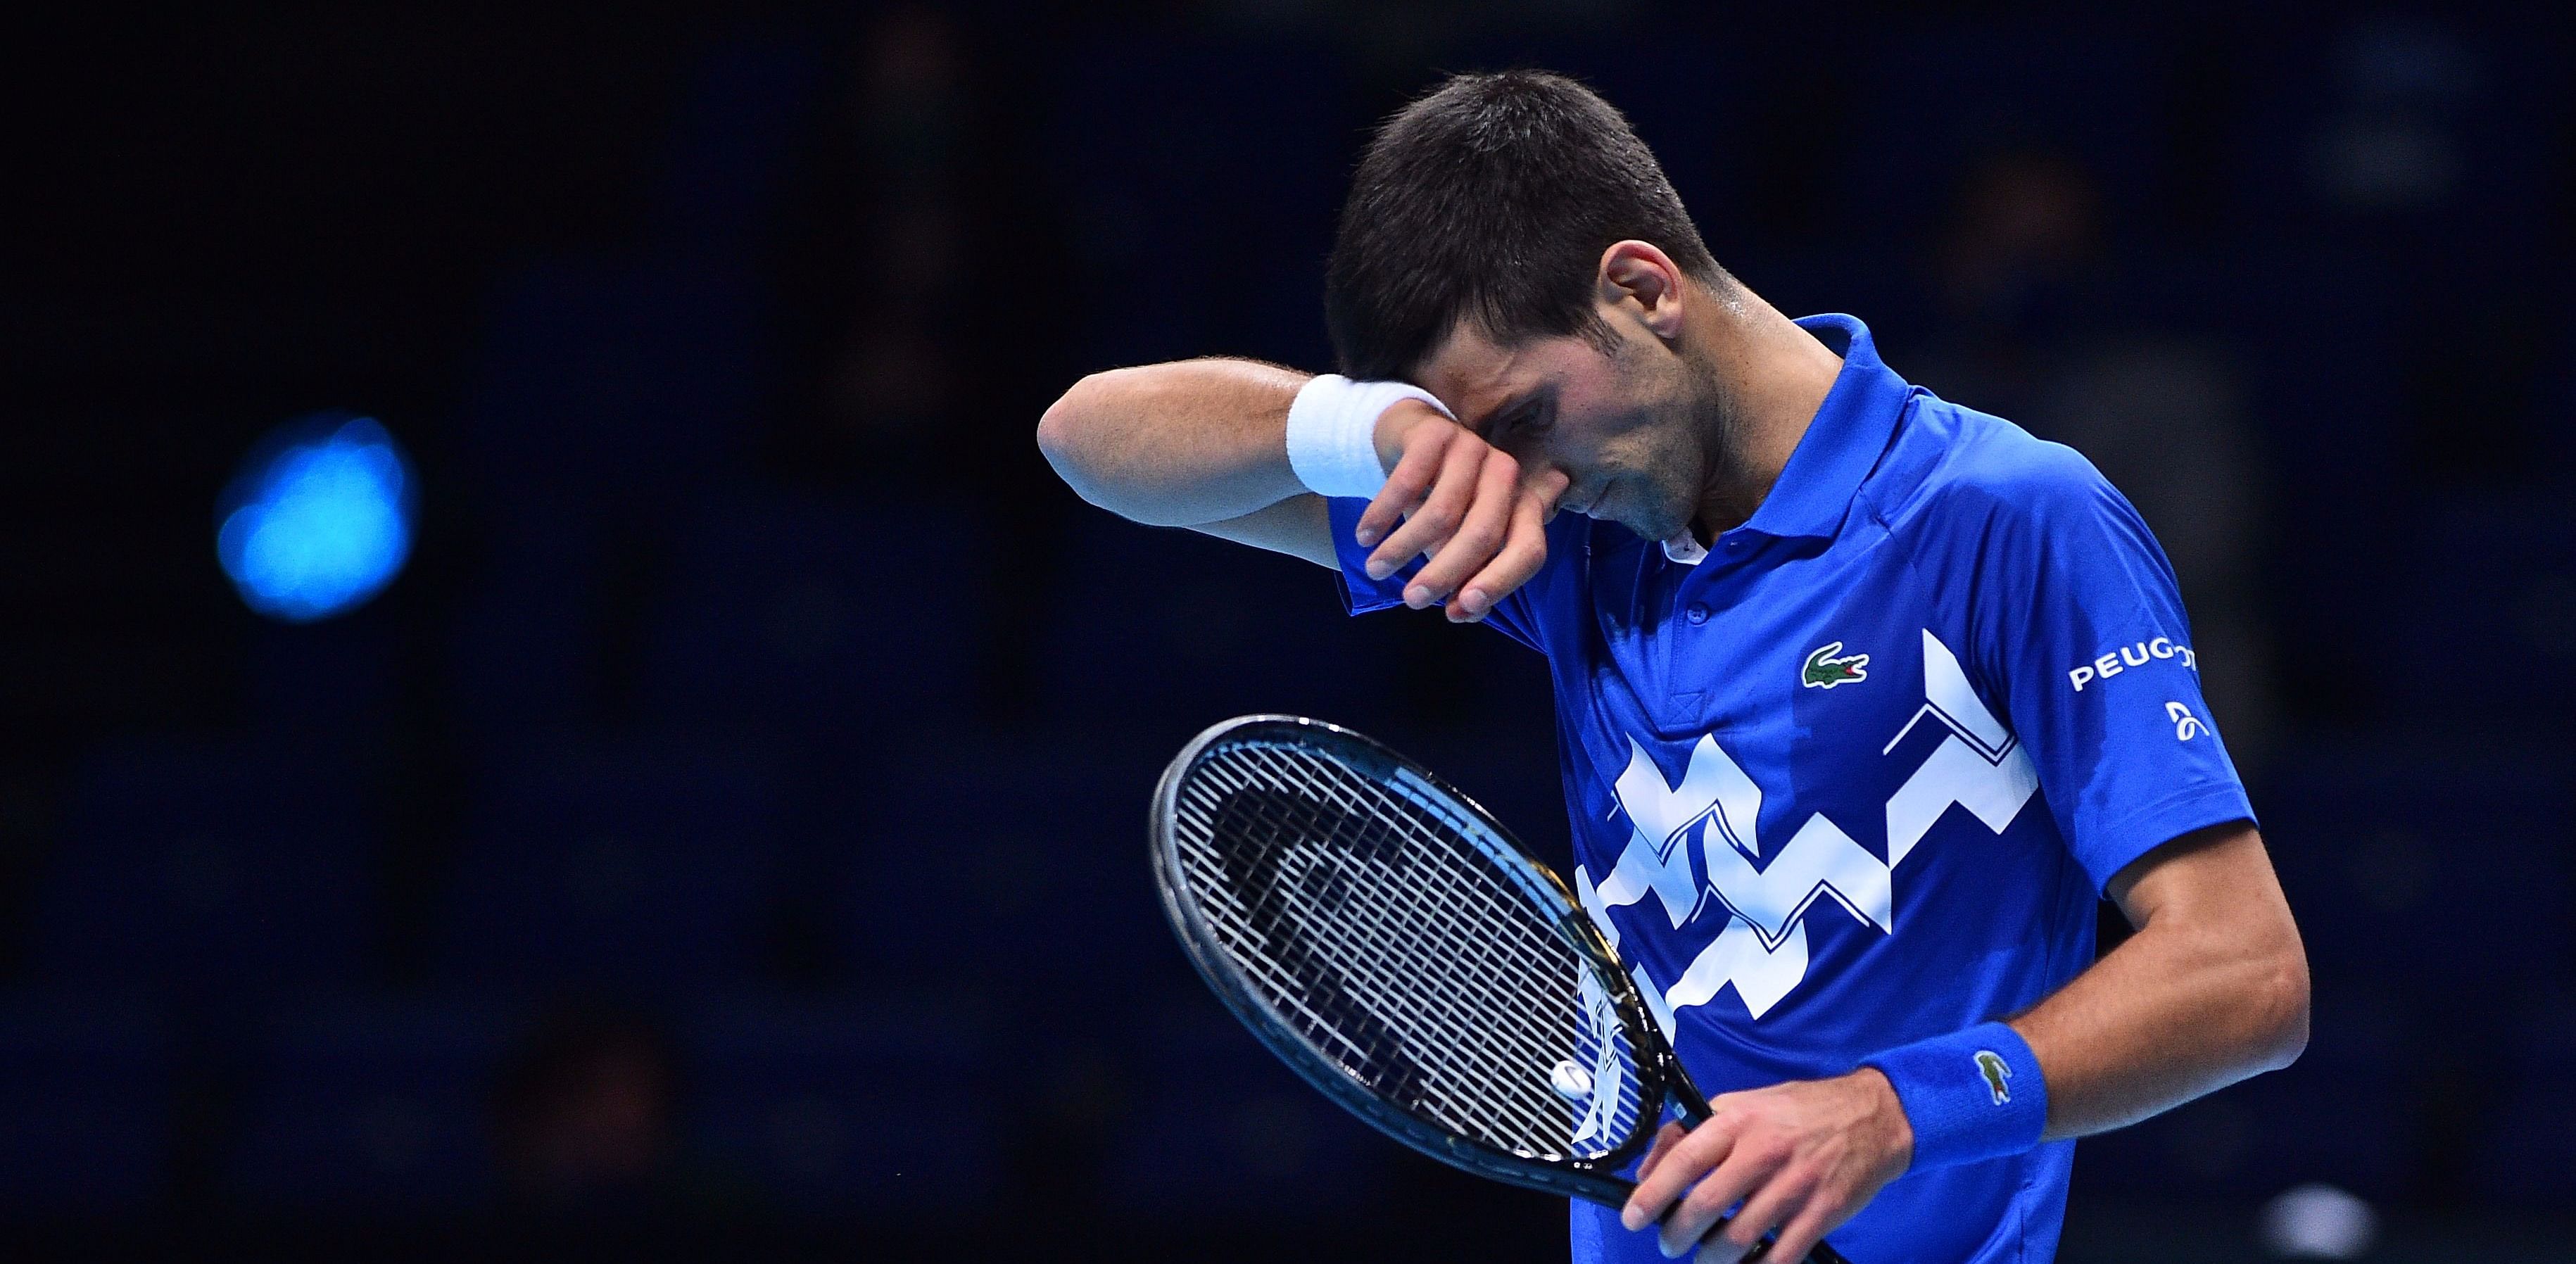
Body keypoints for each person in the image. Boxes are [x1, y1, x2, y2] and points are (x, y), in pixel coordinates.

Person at [1035, 71, 2307, 1264]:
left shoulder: (2009, 518)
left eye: (1526, 417)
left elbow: (2246, 974)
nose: (1515, 479)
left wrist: (1888, 1114)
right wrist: (1369, 428)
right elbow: (1089, 443)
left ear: (1642, 289)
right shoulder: (1570, 534)